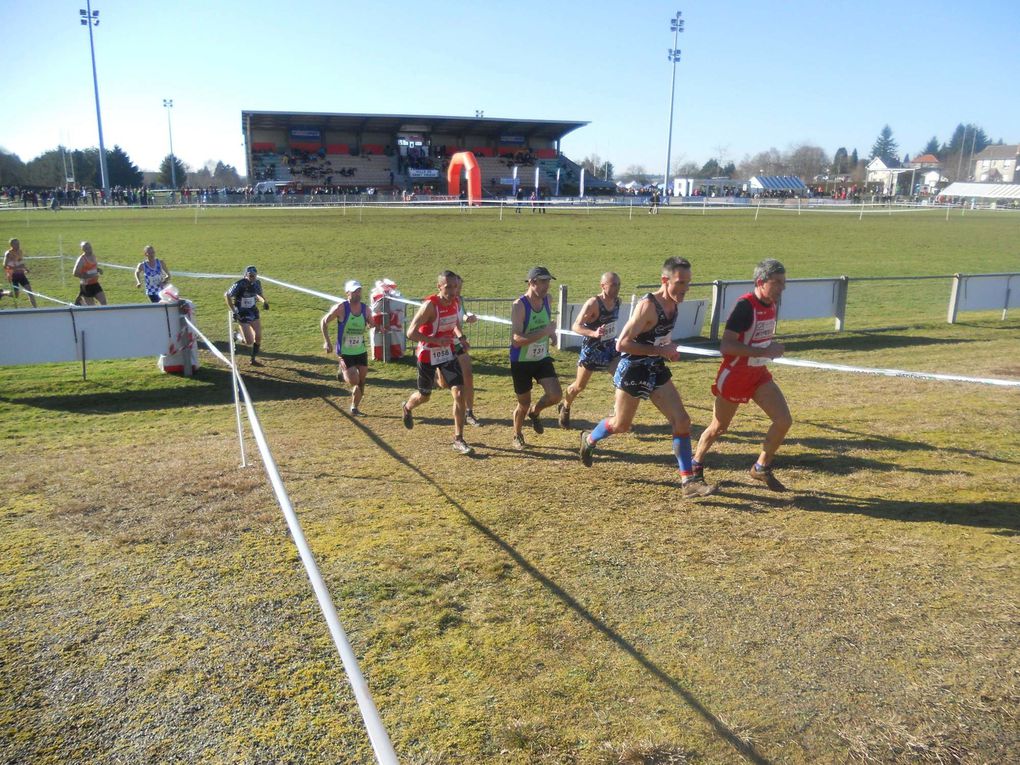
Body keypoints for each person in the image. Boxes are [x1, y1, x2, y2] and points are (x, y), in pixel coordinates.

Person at [579, 256, 716, 499]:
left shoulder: (674, 303)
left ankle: (688, 482)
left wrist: (669, 348)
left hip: (655, 367)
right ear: (665, 280)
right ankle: (589, 439)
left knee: (682, 420)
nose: (685, 289)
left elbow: (659, 338)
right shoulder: (648, 306)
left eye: (688, 283)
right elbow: (622, 344)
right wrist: (661, 350)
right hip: (632, 369)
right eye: (680, 283)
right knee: (621, 425)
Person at [693, 259, 792, 491]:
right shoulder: (744, 307)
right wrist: (764, 351)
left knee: (784, 420)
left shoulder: (772, 305)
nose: (782, 288)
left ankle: (761, 467)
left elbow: (759, 340)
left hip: (758, 375)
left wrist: (768, 349)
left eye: (784, 282)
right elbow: (726, 346)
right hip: (735, 375)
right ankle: (695, 465)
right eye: (777, 282)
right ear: (760, 282)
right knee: (719, 427)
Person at [401, 270, 474, 455]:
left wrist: (461, 338)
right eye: (448, 286)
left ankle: (458, 439)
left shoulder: (456, 302)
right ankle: (407, 407)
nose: (452, 290)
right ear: (439, 287)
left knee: (459, 392)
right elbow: (410, 333)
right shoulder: (430, 306)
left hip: (447, 353)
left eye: (455, 286)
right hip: (426, 355)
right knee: (424, 396)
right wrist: (435, 341)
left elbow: (454, 322)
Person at [558, 272, 621, 428]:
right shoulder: (593, 303)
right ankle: (565, 406)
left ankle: (617, 413)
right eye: (613, 285)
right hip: (592, 349)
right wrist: (594, 333)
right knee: (579, 386)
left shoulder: (618, 301)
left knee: (621, 378)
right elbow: (575, 326)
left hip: (610, 347)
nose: (616, 288)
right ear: (603, 285)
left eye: (618, 285)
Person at [510, 266, 562, 450]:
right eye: (543, 282)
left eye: (548, 281)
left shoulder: (548, 299)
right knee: (523, 403)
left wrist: (552, 335)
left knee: (556, 395)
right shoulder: (519, 306)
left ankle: (536, 412)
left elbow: (546, 323)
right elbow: (516, 340)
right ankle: (517, 434)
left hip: (541, 358)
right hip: (521, 361)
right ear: (532, 282)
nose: (547, 286)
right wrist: (545, 332)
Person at [321, 279, 371, 416]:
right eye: (354, 291)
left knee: (361, 382)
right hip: (345, 352)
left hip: (360, 351)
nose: (357, 293)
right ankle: (342, 372)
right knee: (354, 380)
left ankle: (354, 408)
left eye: (359, 290)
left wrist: (377, 326)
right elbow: (324, 322)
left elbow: (371, 324)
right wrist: (327, 342)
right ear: (347, 293)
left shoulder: (366, 309)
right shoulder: (341, 308)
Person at [224, 265, 269, 365]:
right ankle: (236, 336)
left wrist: (264, 302)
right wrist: (233, 310)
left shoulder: (257, 283)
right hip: (242, 313)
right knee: (249, 341)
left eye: (254, 275)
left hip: (253, 312)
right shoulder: (239, 284)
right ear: (245, 275)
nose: (252, 277)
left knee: (258, 337)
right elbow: (226, 295)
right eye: (250, 275)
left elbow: (258, 294)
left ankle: (252, 359)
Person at [3, 238, 36, 307]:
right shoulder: (8, 253)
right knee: (16, 295)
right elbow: (5, 265)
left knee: (30, 291)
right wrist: (15, 268)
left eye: (19, 243)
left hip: (21, 274)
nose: (18, 245)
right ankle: (2, 293)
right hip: (13, 276)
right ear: (11, 245)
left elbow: (20, 262)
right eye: (16, 244)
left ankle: (36, 309)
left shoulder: (20, 251)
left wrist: (26, 269)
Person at [72, 241, 107, 306]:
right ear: (83, 249)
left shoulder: (93, 256)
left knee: (104, 302)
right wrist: (87, 276)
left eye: (90, 247)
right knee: (91, 307)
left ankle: (80, 301)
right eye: (87, 248)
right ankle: (80, 303)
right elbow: (75, 273)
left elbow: (92, 268)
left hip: (95, 284)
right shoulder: (81, 259)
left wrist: (98, 270)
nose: (89, 249)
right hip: (86, 286)